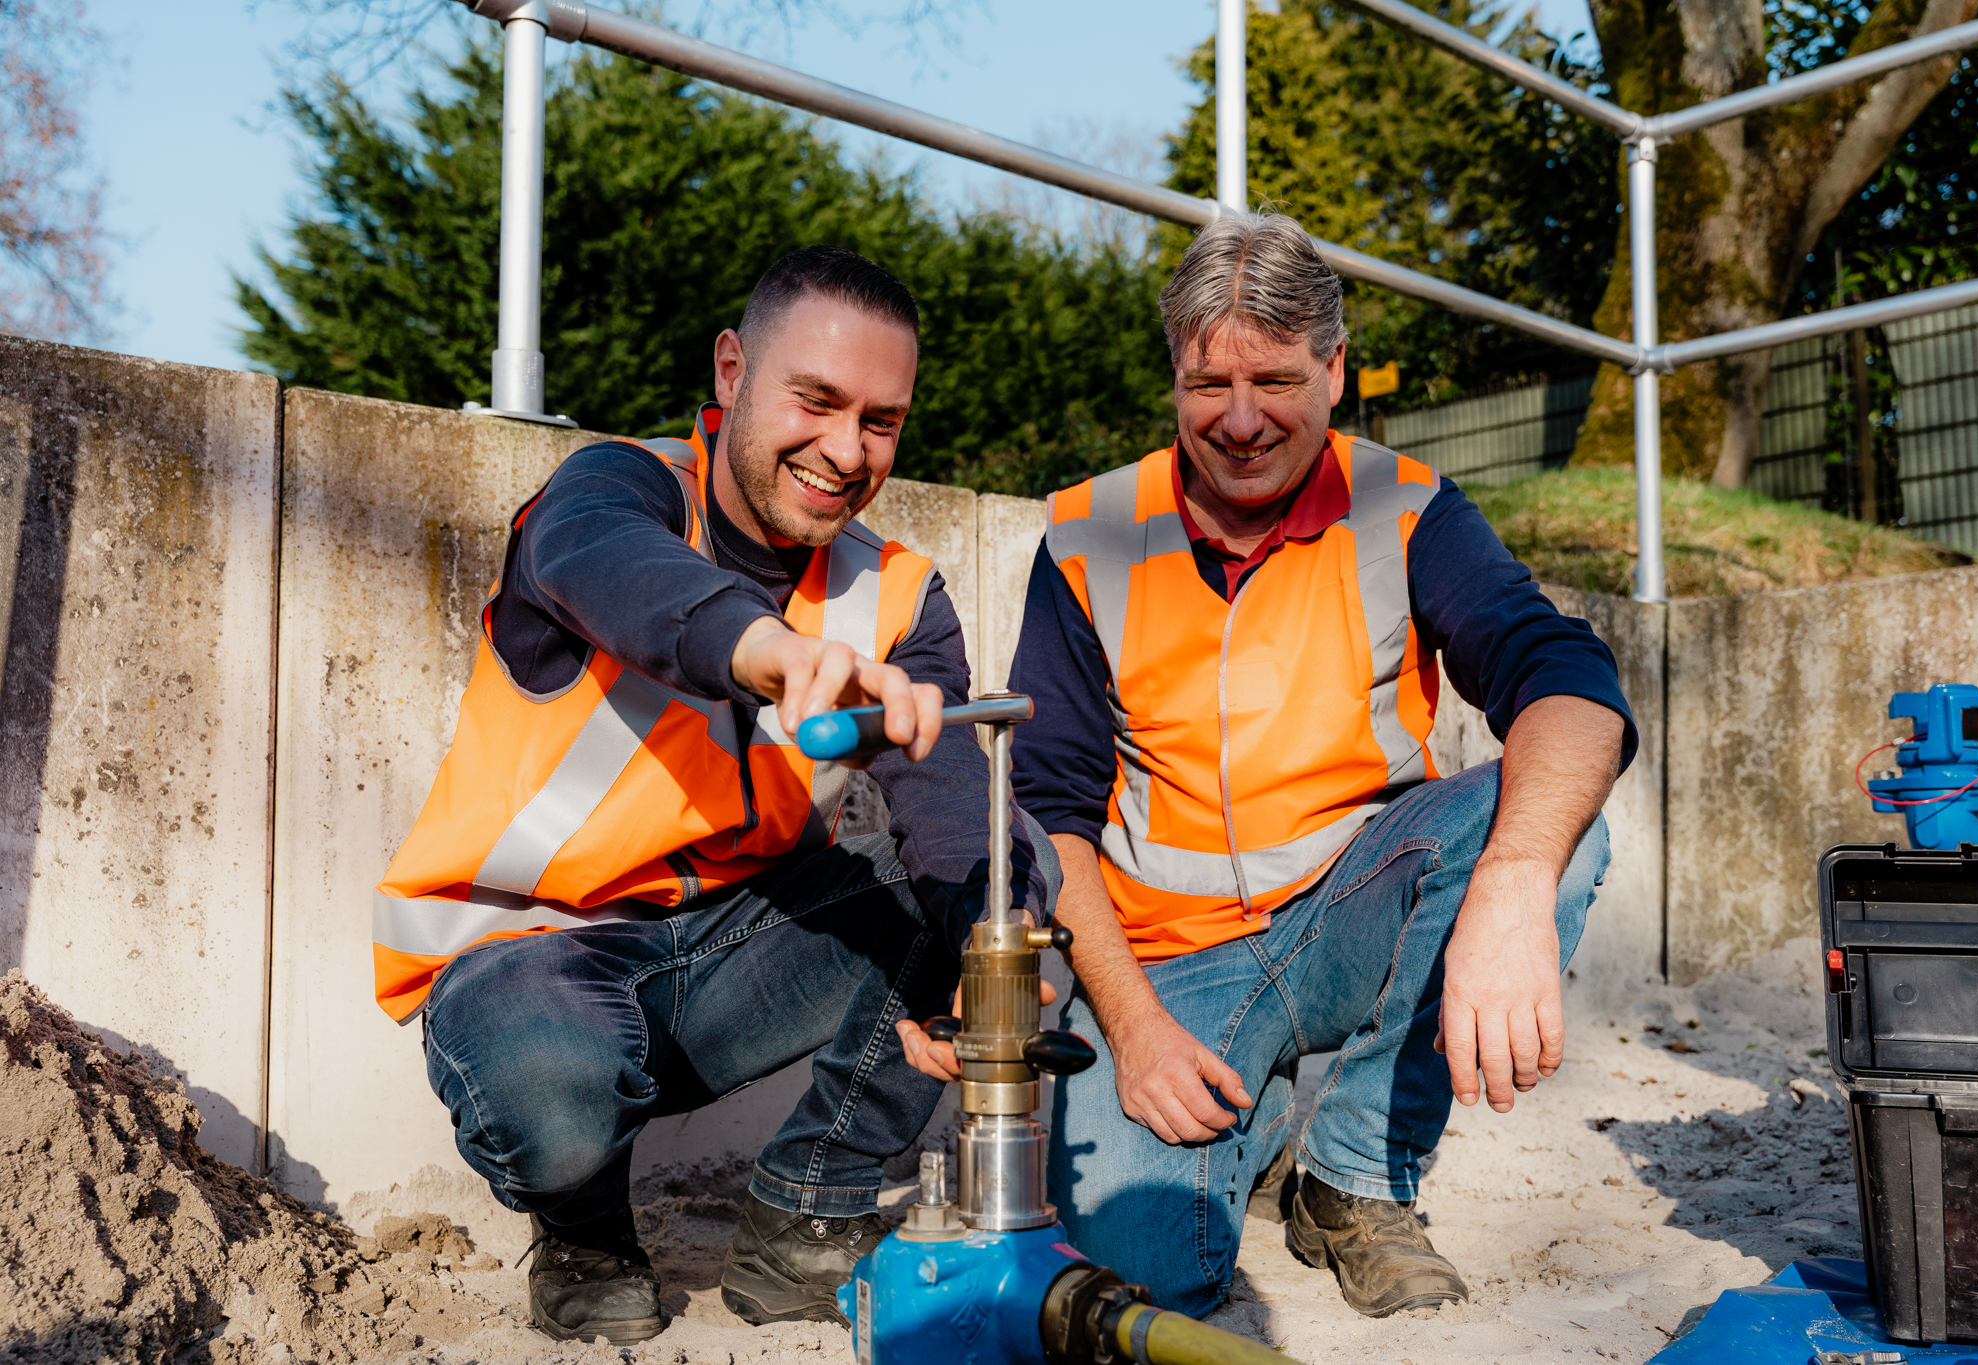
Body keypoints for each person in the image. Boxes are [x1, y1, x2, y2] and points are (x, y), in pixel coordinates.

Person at [897, 213, 1635, 1320]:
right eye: (1207, 385)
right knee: (1152, 1271)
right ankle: (1264, 1118)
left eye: (1276, 380)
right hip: (1164, 966)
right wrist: (1135, 1031)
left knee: (1541, 830)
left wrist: (1514, 887)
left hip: (1349, 915)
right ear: (1173, 379)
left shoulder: (1407, 508)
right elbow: (1050, 810)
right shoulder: (1086, 534)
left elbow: (1566, 679)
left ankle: (1347, 1181)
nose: (1239, 423)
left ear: (1334, 370)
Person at [373, 246, 1054, 1343]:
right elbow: (610, 566)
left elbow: (938, 810)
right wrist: (769, 652)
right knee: (550, 1089)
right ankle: (585, 1228)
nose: (844, 451)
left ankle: (805, 1218)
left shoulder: (896, 592)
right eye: (816, 400)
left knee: (996, 856)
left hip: (745, 951)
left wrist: (976, 963)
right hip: (529, 958)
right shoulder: (614, 491)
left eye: (879, 420)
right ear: (732, 370)